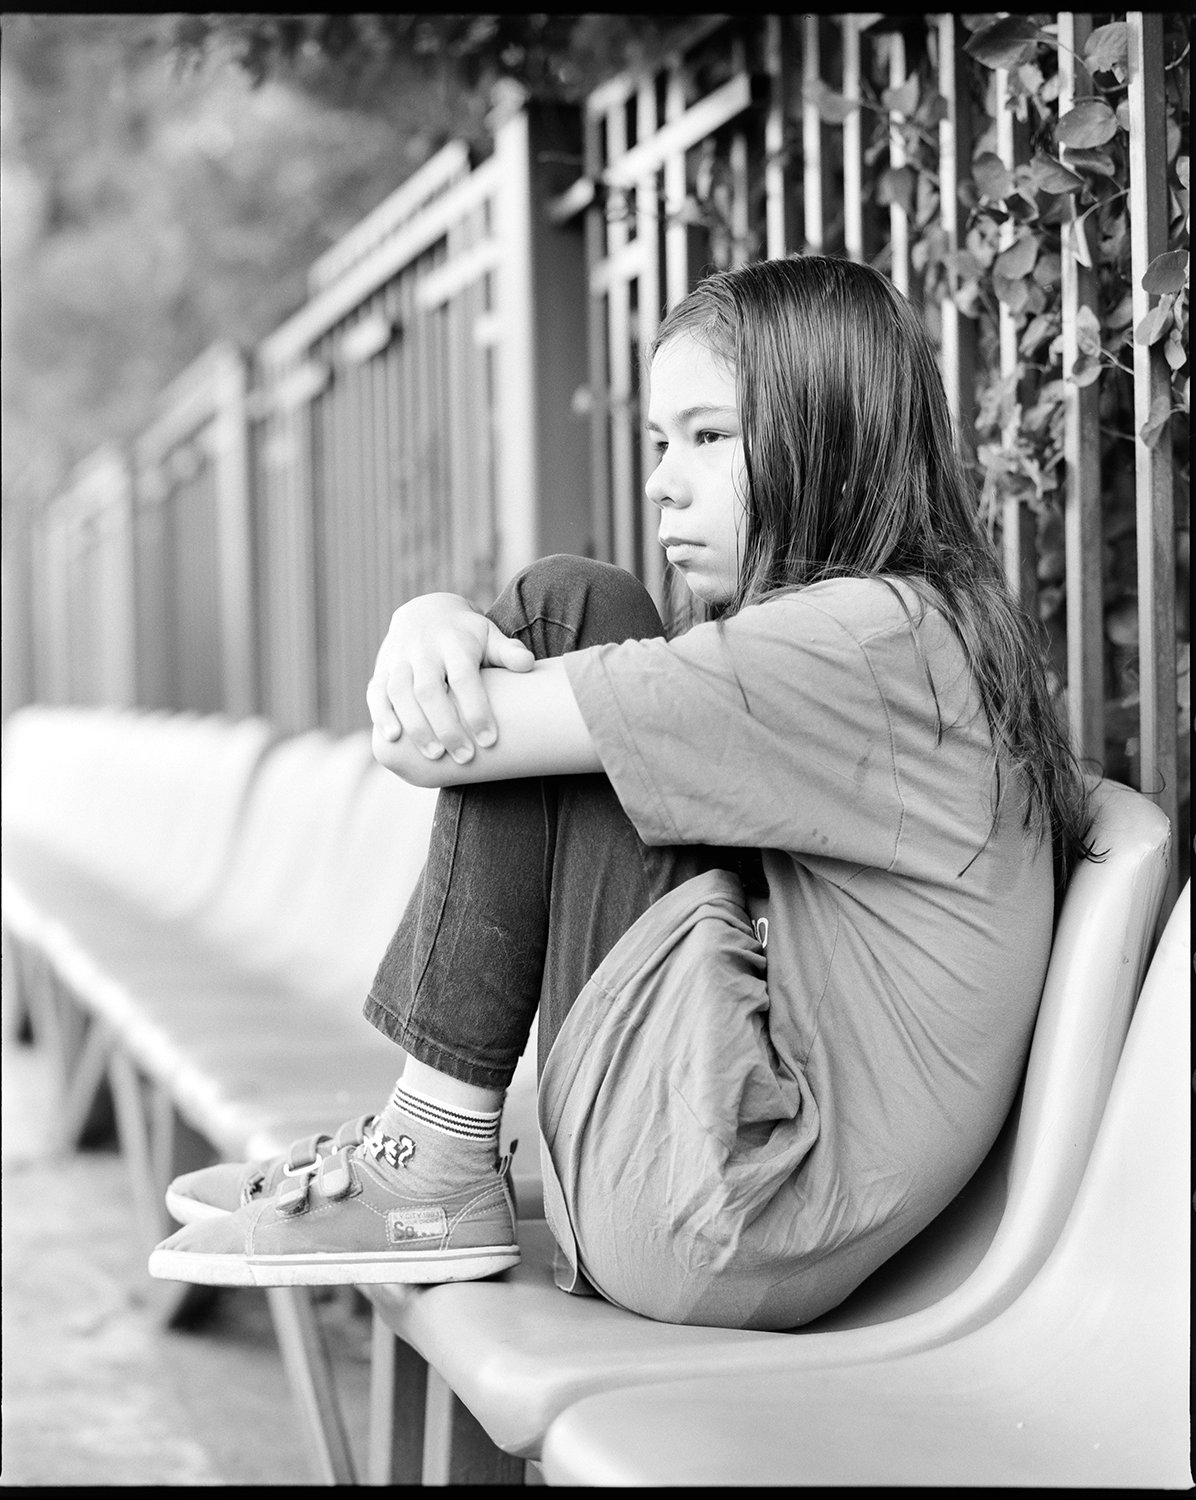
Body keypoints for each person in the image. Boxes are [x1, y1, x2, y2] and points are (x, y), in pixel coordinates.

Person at [149, 255, 1092, 1331]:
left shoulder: (863, 647)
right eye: (659, 443)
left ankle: (430, 1157)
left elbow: (423, 743)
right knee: (571, 636)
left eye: (709, 436)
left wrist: (427, 623)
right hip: (739, 1204)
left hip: (724, 1203)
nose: (662, 483)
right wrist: (433, 622)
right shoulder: (914, 634)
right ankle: (432, 1154)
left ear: (830, 437)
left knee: (568, 608)